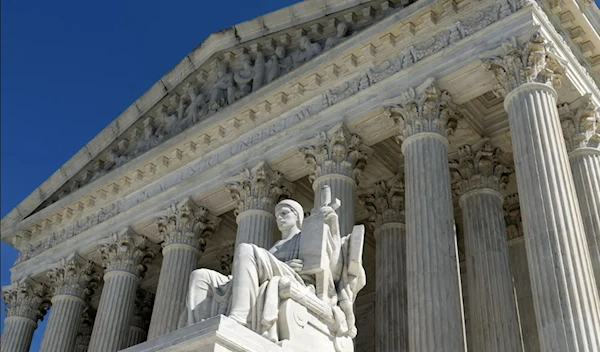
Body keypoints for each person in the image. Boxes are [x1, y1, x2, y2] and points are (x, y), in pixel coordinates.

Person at [178, 199, 342, 333]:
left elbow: (331, 262)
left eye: (284, 213)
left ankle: (240, 316)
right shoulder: (275, 246)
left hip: (294, 276)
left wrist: (332, 226)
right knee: (200, 276)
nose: (279, 218)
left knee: (246, 249)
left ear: (297, 217)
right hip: (273, 273)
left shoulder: (304, 237)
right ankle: (195, 329)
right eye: (277, 215)